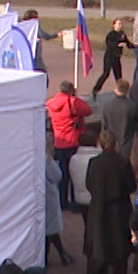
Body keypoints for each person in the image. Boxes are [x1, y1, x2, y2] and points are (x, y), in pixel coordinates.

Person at [83, 130, 136, 274]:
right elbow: (131, 186)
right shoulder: (123, 162)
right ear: (116, 143)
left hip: (98, 208)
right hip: (119, 208)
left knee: (98, 244)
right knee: (118, 245)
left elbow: (89, 184)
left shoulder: (94, 163)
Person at [46, 81, 91, 211]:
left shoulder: (51, 103)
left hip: (59, 143)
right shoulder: (73, 102)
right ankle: (74, 201)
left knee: (62, 174)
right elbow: (88, 110)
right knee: (74, 174)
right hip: (72, 141)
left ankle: (62, 202)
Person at [91, 18, 130, 95]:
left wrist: (135, 46)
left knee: (118, 75)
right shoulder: (111, 34)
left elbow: (128, 43)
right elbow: (109, 44)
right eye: (118, 24)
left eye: (121, 24)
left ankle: (121, 91)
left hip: (117, 57)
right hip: (109, 56)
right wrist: (118, 45)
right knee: (106, 73)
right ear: (114, 25)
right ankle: (96, 89)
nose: (120, 25)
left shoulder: (122, 34)